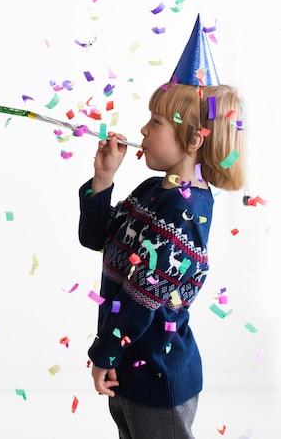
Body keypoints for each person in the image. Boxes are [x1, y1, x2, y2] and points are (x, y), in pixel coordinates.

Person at [78, 81, 245, 439]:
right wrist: (103, 178)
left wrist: (105, 353)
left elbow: (142, 295)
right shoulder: (152, 191)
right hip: (130, 365)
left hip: (158, 374)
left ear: (193, 140)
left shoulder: (184, 213)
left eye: (155, 122)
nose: (142, 130)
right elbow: (96, 238)